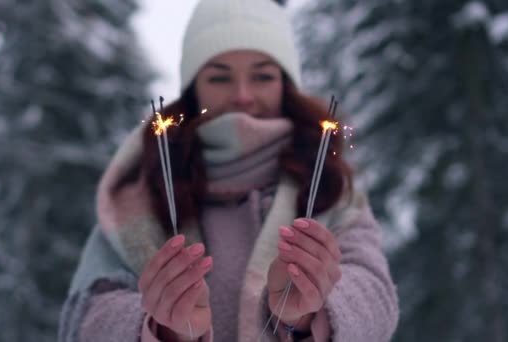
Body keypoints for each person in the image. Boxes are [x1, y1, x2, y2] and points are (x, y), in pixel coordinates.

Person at [58, 0, 399, 341]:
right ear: (193, 90)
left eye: (262, 75)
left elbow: (376, 299)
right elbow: (86, 316)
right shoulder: (138, 193)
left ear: (285, 85)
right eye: (220, 77)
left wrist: (309, 315)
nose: (242, 96)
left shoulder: (328, 187)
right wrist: (161, 327)